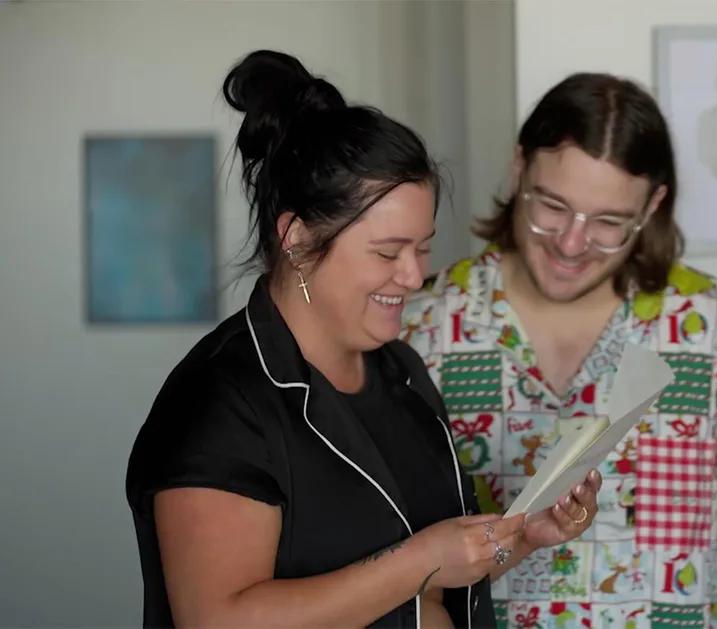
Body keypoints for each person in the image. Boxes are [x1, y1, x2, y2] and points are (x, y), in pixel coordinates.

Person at [124, 51, 603, 629]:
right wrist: (417, 562)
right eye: (387, 252)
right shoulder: (220, 401)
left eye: (422, 248)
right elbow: (217, 620)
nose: (413, 276)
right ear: (297, 239)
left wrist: (523, 535)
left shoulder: (403, 372)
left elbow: (436, 580)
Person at [400, 72, 717, 629]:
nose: (571, 243)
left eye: (608, 221)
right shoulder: (417, 327)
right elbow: (379, 549)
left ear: (652, 205)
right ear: (518, 168)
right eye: (552, 205)